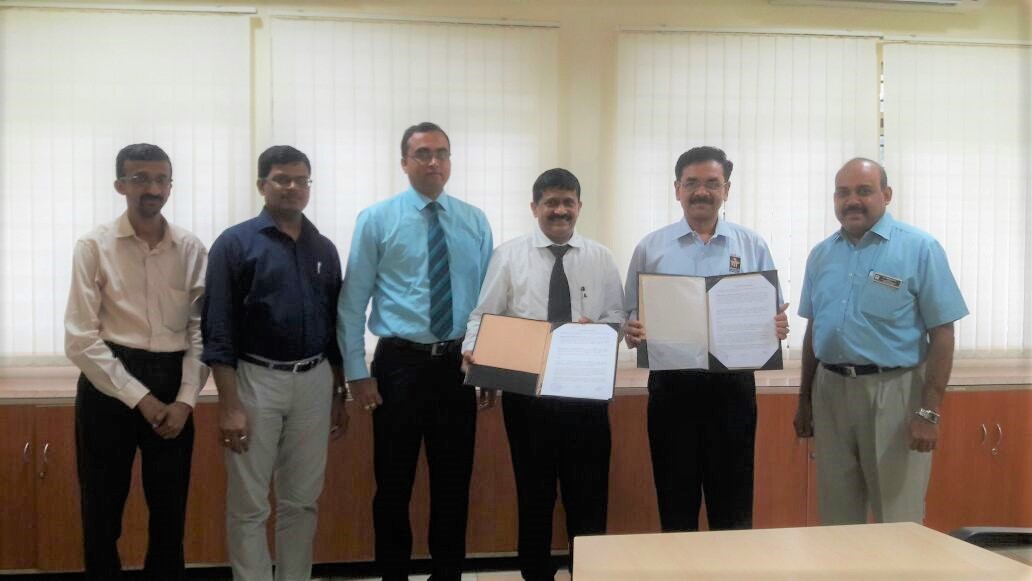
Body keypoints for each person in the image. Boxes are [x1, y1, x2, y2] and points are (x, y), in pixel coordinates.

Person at [337, 122, 494, 580]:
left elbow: (488, 304)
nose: (433, 162)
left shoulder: (474, 220)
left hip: (457, 366)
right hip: (398, 367)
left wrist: (490, 369)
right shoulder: (376, 219)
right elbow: (352, 302)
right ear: (404, 162)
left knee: (453, 486)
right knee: (393, 485)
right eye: (422, 153)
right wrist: (356, 372)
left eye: (442, 153)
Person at [462, 168, 625, 581]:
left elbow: (617, 318)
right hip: (528, 398)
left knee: (589, 499)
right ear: (534, 207)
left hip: (585, 398)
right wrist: (474, 353)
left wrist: (598, 331)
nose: (560, 210)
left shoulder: (600, 257)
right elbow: (484, 315)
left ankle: (589, 575)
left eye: (568, 202)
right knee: (533, 497)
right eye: (551, 202)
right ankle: (536, 575)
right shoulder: (509, 255)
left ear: (580, 207)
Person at [623, 146, 789, 532]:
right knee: (675, 501)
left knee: (733, 504)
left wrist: (776, 327)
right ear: (677, 189)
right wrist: (631, 329)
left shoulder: (751, 244)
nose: (702, 191)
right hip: (672, 388)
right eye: (692, 183)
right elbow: (629, 313)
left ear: (726, 189)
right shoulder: (651, 247)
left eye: (712, 183)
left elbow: (771, 311)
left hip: (732, 389)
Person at [793, 158, 968, 525]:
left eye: (864, 191)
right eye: (843, 192)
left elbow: (943, 333)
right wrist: (804, 400)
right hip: (830, 391)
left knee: (897, 517)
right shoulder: (821, 254)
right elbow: (814, 330)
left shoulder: (920, 248)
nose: (852, 200)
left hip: (895, 392)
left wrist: (928, 412)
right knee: (837, 517)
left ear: (886, 195)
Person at [202, 145, 347, 581]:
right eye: (282, 179)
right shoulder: (234, 244)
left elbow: (335, 326)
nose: (292, 187)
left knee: (301, 501)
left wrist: (339, 393)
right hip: (255, 380)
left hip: (314, 381)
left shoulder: (323, 248)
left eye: (301, 180)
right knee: (249, 505)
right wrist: (228, 404)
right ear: (261, 185)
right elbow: (218, 327)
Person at [65, 143, 208, 580]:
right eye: (140, 178)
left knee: (169, 513)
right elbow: (80, 339)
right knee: (101, 510)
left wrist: (185, 400)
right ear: (120, 185)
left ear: (170, 186)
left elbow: (201, 331)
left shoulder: (190, 247)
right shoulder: (94, 246)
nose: (152, 189)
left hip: (173, 380)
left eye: (161, 179)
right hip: (109, 381)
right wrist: (141, 398)